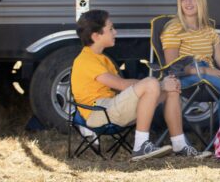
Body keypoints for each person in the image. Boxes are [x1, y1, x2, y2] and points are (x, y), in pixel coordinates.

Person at [71, 9, 211, 161]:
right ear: (96, 36)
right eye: (110, 29)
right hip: (99, 113)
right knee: (152, 83)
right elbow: (122, 85)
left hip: (111, 108)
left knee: (172, 87)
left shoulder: (102, 58)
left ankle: (179, 144)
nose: (115, 32)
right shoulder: (86, 60)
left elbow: (124, 90)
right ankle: (140, 146)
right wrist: (159, 84)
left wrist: (163, 86)